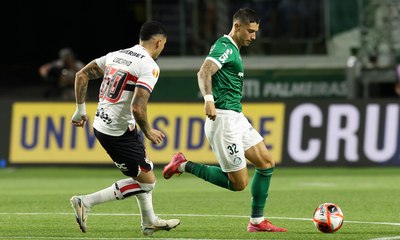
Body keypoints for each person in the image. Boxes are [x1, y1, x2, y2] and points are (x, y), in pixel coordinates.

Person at [163, 8, 287, 233]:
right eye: (250, 31)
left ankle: (257, 222)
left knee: (266, 163)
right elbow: (203, 72)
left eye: (256, 32)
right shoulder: (224, 47)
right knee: (238, 184)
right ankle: (183, 164)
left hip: (236, 117)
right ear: (237, 26)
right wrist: (208, 100)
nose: (253, 36)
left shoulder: (234, 49)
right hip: (223, 120)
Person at [69, 21, 180, 236]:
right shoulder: (149, 66)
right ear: (159, 42)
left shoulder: (116, 55)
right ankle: (86, 202)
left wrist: (80, 109)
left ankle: (149, 222)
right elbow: (138, 107)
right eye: (163, 45)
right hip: (117, 133)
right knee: (147, 183)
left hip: (110, 125)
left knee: (143, 172)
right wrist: (148, 130)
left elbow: (81, 75)